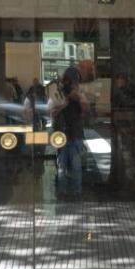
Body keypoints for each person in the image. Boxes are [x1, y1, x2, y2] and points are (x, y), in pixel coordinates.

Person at [54, 69, 87, 200]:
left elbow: (85, 110)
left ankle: (76, 192)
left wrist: (78, 96)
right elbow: (52, 113)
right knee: (62, 167)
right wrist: (64, 102)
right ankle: (63, 191)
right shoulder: (58, 95)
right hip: (62, 135)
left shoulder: (78, 95)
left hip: (75, 134)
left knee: (76, 167)